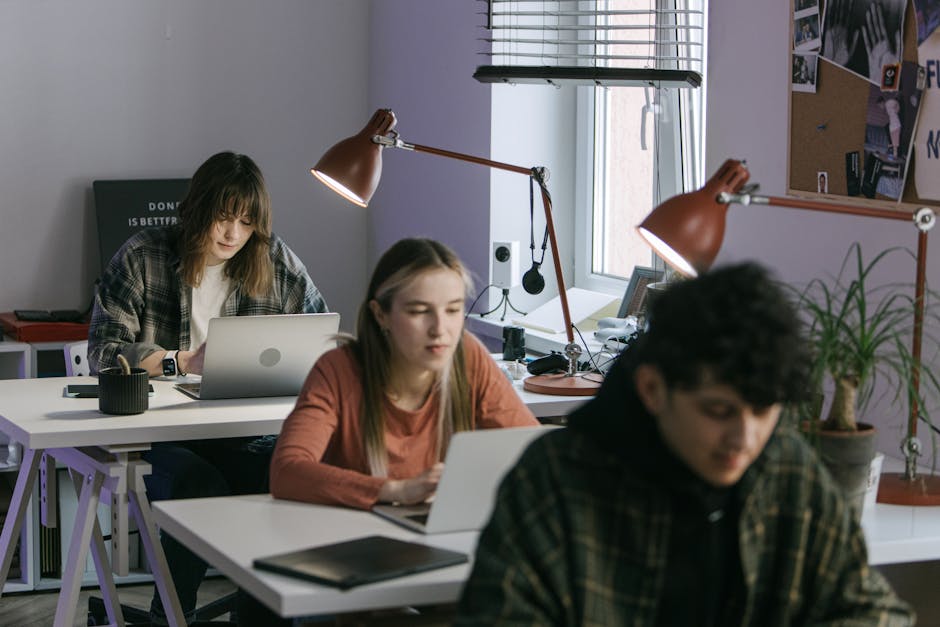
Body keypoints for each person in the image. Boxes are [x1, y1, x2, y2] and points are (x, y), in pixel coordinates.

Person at [455, 262, 915, 626]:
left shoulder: (787, 470)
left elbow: (873, 611)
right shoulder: (556, 483)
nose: (745, 438)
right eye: (718, 411)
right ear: (654, 389)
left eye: (763, 411)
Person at [88, 150, 328, 624]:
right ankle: (173, 614)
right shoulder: (143, 255)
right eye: (223, 217)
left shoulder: (273, 260)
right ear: (197, 208)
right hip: (155, 437)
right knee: (200, 484)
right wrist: (181, 362)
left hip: (238, 430)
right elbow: (103, 350)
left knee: (285, 470)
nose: (233, 234)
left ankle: (260, 615)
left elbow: (322, 334)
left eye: (245, 222)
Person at [270, 237, 538, 508]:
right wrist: (397, 490)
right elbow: (287, 471)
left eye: (453, 310)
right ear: (381, 314)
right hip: (352, 537)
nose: (440, 329)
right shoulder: (337, 371)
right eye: (420, 311)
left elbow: (538, 455)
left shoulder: (468, 357)